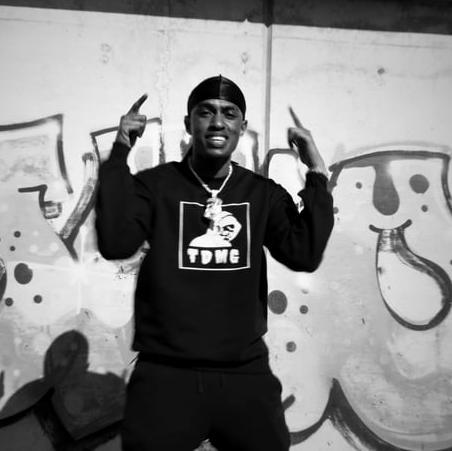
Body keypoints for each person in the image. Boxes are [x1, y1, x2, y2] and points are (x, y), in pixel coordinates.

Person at [96, 75, 334, 451]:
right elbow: (114, 242)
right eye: (205, 112)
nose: (218, 122)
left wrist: (316, 172)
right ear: (189, 122)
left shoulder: (262, 194)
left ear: (242, 125)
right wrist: (119, 153)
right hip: (166, 377)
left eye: (229, 113)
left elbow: (303, 253)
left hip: (244, 375)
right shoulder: (156, 186)